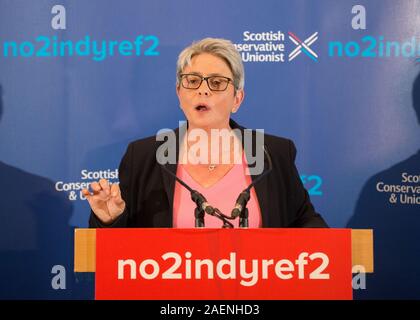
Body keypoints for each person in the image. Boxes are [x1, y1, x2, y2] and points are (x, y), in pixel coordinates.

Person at [83, 38, 328, 228]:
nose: (203, 91)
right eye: (192, 81)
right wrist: (109, 220)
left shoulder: (270, 153)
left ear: (237, 99)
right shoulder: (145, 156)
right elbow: (120, 250)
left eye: (217, 83)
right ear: (179, 93)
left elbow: (305, 224)